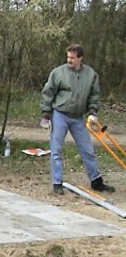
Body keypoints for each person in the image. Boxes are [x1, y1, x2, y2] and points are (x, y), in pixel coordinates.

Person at [39, 44, 115, 195]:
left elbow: (94, 94)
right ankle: (57, 183)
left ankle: (96, 181)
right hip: (60, 114)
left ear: (80, 58)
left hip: (78, 117)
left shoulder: (90, 75)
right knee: (56, 149)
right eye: (68, 57)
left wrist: (93, 112)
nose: (69, 60)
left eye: (73, 58)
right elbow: (48, 92)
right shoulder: (58, 73)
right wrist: (46, 115)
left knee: (88, 149)